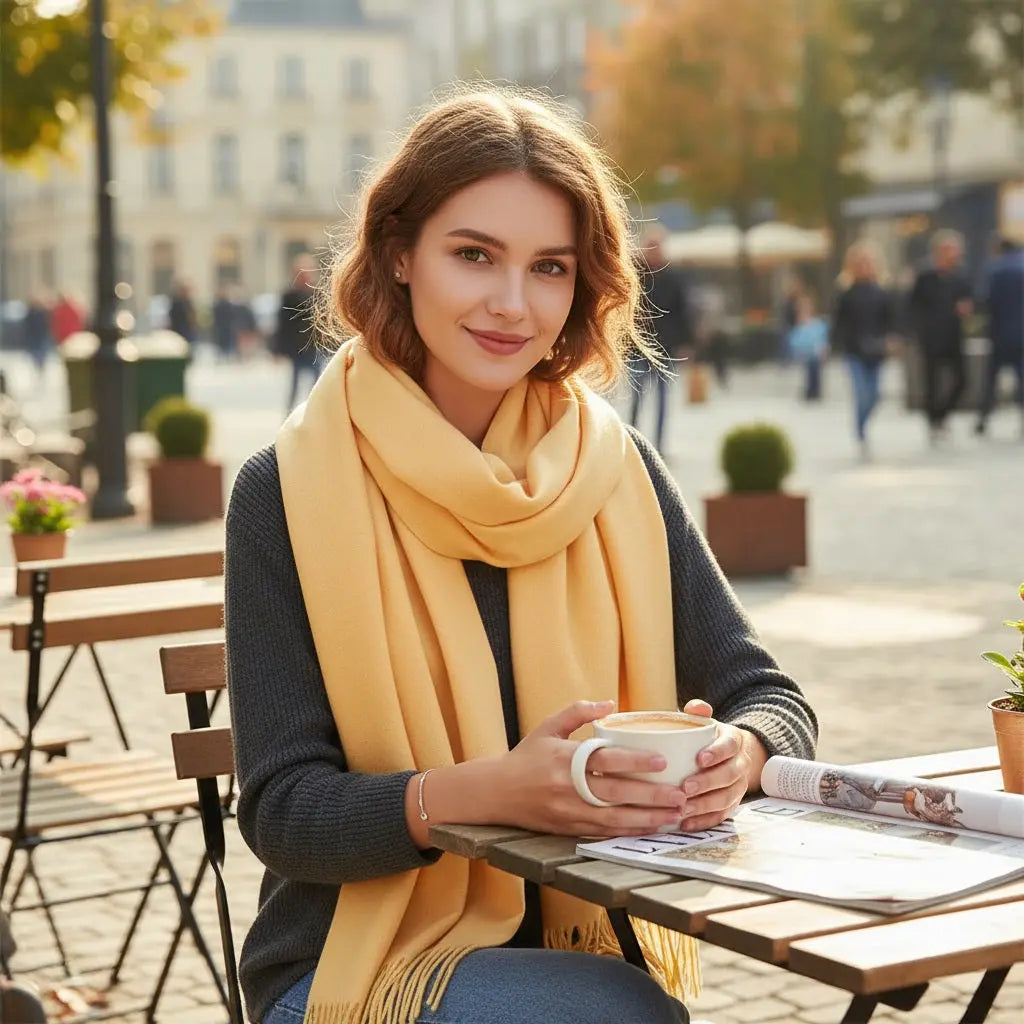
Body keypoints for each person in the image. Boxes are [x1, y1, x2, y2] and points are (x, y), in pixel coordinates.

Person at [225, 88, 817, 1024]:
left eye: (550, 267)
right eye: (474, 256)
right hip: (357, 961)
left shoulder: (613, 468)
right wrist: (482, 796)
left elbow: (772, 700)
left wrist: (736, 756)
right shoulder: (288, 489)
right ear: (398, 254)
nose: (513, 303)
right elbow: (285, 815)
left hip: (598, 940)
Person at [628, 225, 691, 454]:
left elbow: (683, 312)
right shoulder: (634, 274)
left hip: (665, 347)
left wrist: (685, 342)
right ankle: (633, 442)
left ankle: (659, 445)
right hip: (638, 347)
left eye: (657, 246)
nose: (653, 250)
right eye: (650, 246)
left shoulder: (673, 277)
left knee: (663, 401)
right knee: (637, 397)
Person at [909, 230, 973, 443]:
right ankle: (933, 421)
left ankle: (942, 415)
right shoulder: (925, 276)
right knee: (931, 383)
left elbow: (971, 300)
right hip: (931, 336)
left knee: (962, 380)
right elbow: (913, 306)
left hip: (954, 335)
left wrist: (966, 310)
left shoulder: (961, 276)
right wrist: (916, 331)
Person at [832, 241, 893, 457]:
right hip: (854, 351)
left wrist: (890, 339)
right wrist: (834, 345)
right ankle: (860, 430)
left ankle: (863, 423)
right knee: (861, 394)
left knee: (875, 395)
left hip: (875, 352)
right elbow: (838, 323)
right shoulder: (846, 294)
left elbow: (890, 320)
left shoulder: (881, 293)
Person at [976, 238, 1024, 436]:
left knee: (991, 380)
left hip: (999, 333)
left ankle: (983, 419)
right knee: (1022, 379)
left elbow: (985, 300)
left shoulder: (994, 269)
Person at [273, 254, 322, 412]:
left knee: (319, 384)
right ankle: (290, 413)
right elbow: (282, 324)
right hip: (297, 347)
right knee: (295, 383)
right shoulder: (289, 296)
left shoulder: (318, 293)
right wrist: (278, 350)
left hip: (315, 346)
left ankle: (315, 412)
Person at [787, 292, 829, 402]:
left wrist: (823, 348)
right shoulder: (798, 325)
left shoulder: (817, 323)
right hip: (805, 352)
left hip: (815, 351)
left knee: (816, 371)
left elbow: (822, 336)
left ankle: (816, 390)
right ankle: (810, 390)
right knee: (808, 372)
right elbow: (794, 339)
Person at [168, 281, 199, 350]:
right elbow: (173, 317)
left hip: (188, 332)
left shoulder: (189, 302)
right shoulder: (176, 303)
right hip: (179, 331)